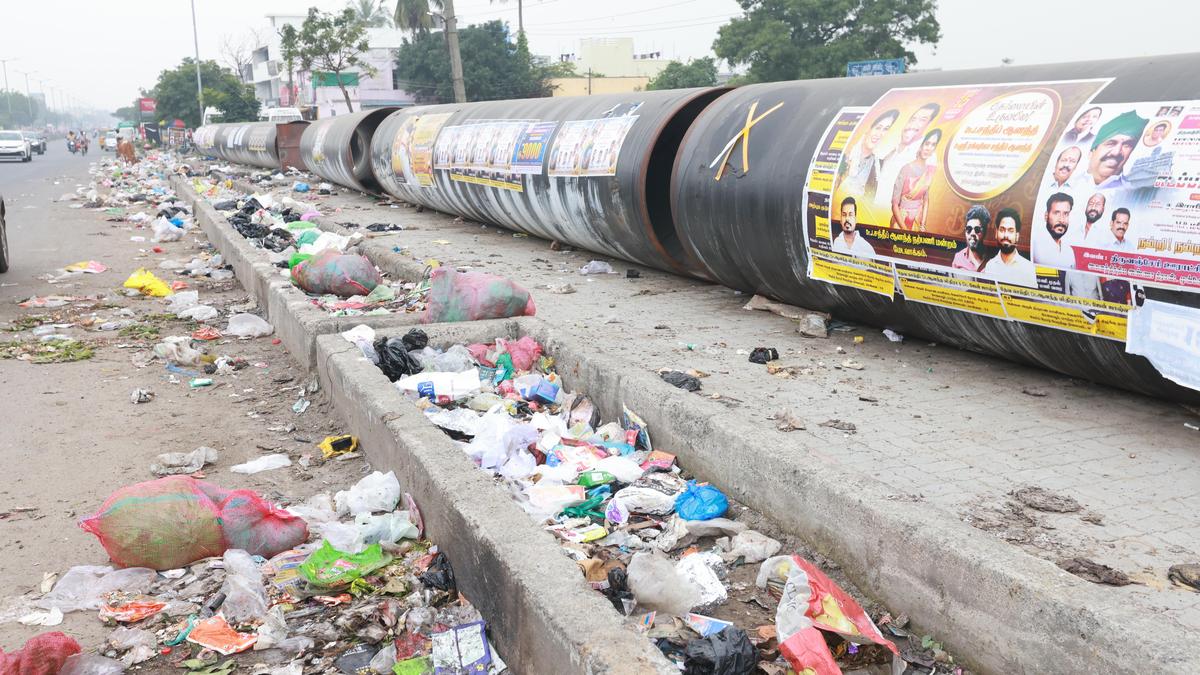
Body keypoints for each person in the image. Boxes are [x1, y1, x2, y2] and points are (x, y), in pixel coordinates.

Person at [874, 102, 940, 212]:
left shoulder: (927, 153)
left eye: (922, 120)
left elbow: (922, 192)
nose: (914, 123)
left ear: (929, 124)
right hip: (873, 210)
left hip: (896, 215)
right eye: (913, 119)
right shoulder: (894, 148)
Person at [838, 109, 899, 200]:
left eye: (885, 129)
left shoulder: (876, 166)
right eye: (878, 127)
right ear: (868, 128)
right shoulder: (845, 155)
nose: (880, 134)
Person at [890, 128, 941, 231]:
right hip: (900, 223)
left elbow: (926, 200)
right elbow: (894, 204)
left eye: (933, 145)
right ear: (920, 145)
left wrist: (922, 224)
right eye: (927, 144)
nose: (929, 148)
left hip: (916, 223)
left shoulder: (929, 172)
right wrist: (905, 230)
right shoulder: (906, 169)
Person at [1085, 110, 1148, 191]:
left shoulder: (1132, 190)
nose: (1116, 152)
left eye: (1127, 145)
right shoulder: (1071, 181)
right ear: (1091, 152)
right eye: (1111, 143)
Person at [982, 207, 1036, 286]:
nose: (1006, 235)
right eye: (1002, 230)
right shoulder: (990, 266)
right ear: (996, 233)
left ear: (1017, 236)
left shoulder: (1028, 268)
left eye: (1010, 231)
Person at [1033, 192, 1076, 268]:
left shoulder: (1069, 251)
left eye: (1066, 214)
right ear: (1046, 216)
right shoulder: (1035, 245)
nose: (1061, 220)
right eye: (1056, 213)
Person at [952, 204, 990, 272]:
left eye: (977, 229)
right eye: (969, 229)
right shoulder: (958, 258)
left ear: (984, 232)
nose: (972, 233)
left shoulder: (992, 260)